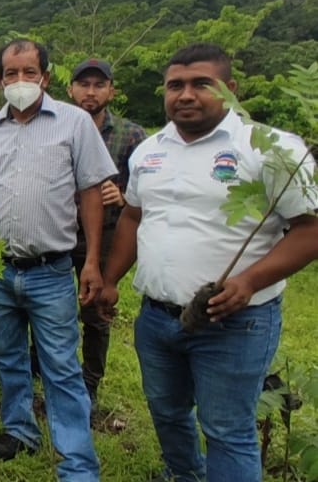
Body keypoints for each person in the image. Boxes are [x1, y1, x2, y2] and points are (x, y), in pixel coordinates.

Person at [98, 43, 318, 482]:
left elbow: (310, 228)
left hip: (235, 321)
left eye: (202, 84)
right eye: (175, 85)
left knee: (227, 429)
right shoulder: (150, 151)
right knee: (167, 411)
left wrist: (250, 281)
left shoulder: (271, 149)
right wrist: (110, 279)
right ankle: (185, 474)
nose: (185, 95)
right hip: (158, 317)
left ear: (230, 89)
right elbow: (134, 217)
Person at [0, 39, 114, 480]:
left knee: (61, 367)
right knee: (7, 357)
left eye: (29, 72)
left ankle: (78, 462)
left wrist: (92, 262)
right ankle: (20, 429)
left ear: (45, 76)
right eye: (11, 73)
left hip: (51, 269)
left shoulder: (74, 122)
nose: (20, 81)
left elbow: (90, 192)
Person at [60, 58, 145, 410]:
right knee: (50, 305)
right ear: (71, 89)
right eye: (83, 84)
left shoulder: (131, 135)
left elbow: (145, 190)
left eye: (98, 85)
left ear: (111, 90)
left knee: (96, 310)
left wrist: (122, 194)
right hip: (60, 232)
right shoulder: (57, 127)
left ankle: (90, 382)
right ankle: (44, 370)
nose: (90, 92)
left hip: (107, 233)